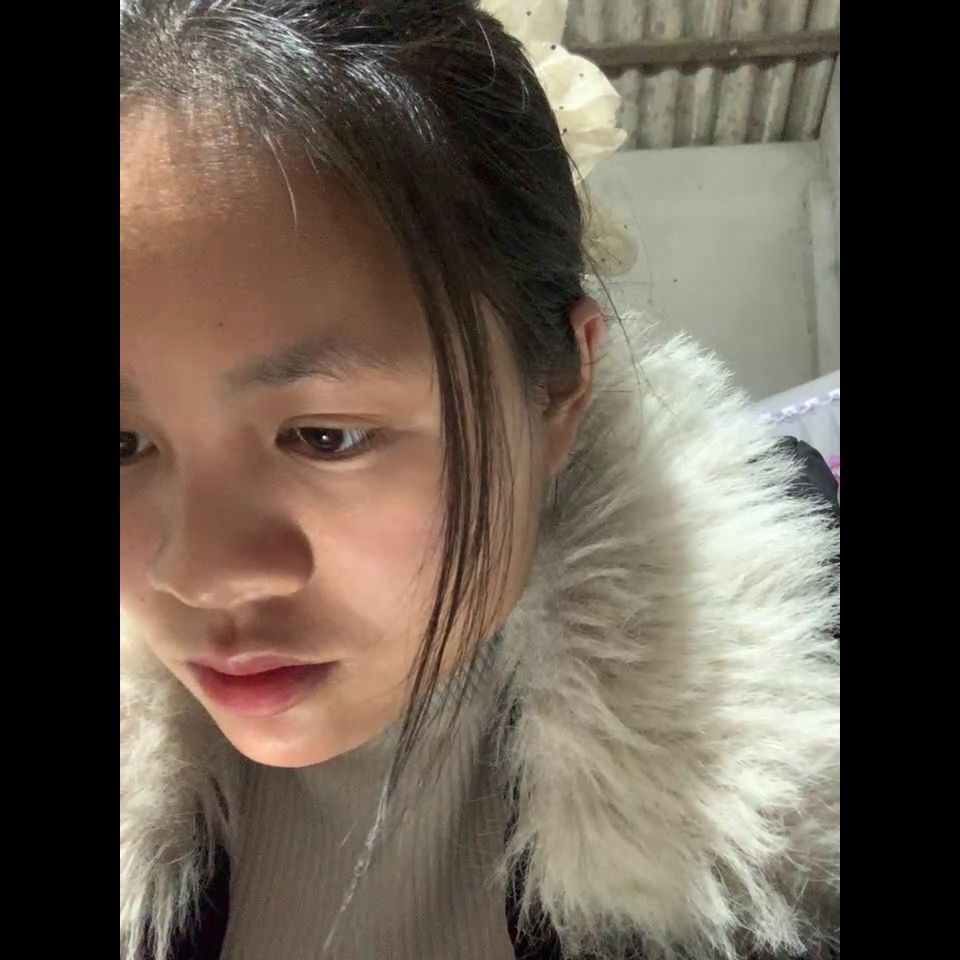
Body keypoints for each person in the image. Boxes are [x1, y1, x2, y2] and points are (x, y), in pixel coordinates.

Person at [120, 3, 840, 958]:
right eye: (121, 444)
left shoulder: (807, 669)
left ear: (558, 387)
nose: (199, 575)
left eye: (327, 436)